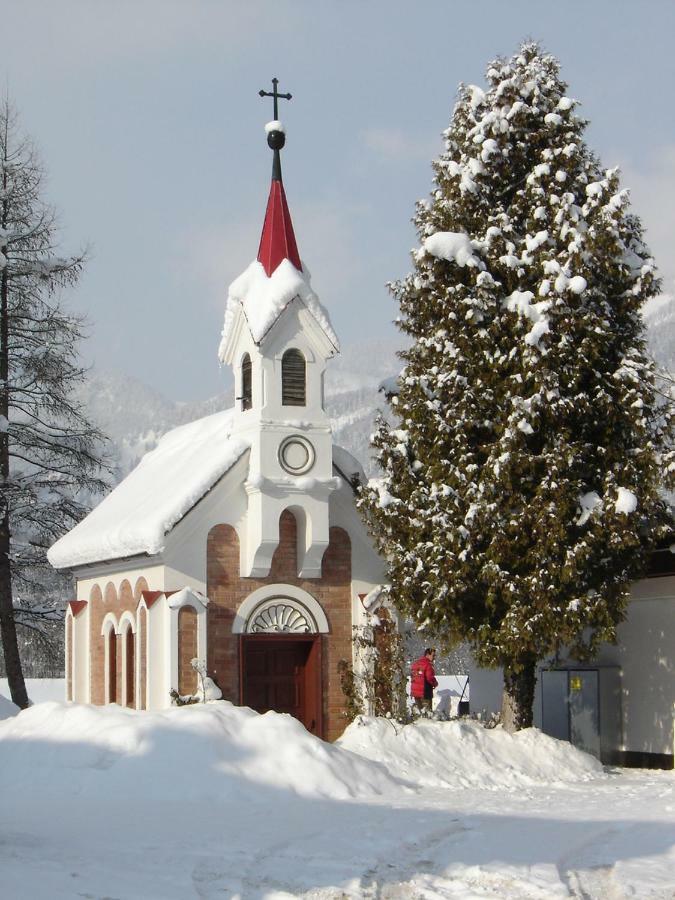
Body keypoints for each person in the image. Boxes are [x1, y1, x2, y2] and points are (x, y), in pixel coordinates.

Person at [411, 648, 438, 713]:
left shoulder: (415, 663)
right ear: (427, 655)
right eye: (433, 655)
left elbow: (413, 676)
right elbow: (429, 678)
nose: (434, 657)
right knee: (427, 713)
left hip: (415, 692)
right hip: (424, 692)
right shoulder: (428, 664)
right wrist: (435, 683)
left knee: (420, 712)